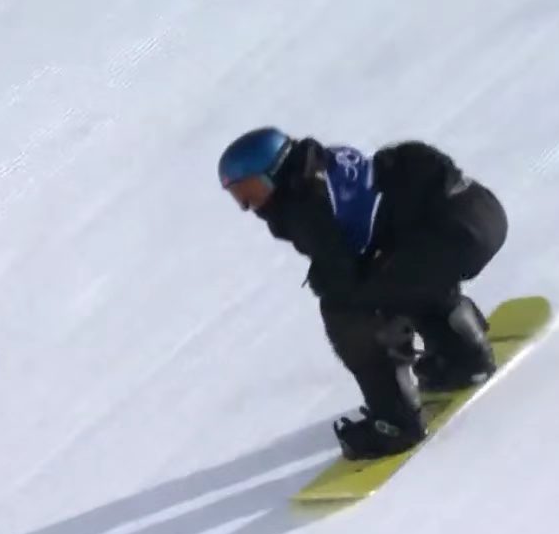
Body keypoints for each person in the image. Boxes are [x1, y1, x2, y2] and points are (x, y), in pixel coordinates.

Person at [217, 126, 508, 460]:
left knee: (346, 311)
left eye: (250, 190)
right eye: (239, 196)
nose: (249, 206)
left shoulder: (305, 203)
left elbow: (344, 279)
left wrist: (328, 282)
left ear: (275, 169)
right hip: (479, 214)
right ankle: (462, 356)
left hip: (454, 234)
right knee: (395, 272)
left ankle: (396, 423)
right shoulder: (319, 165)